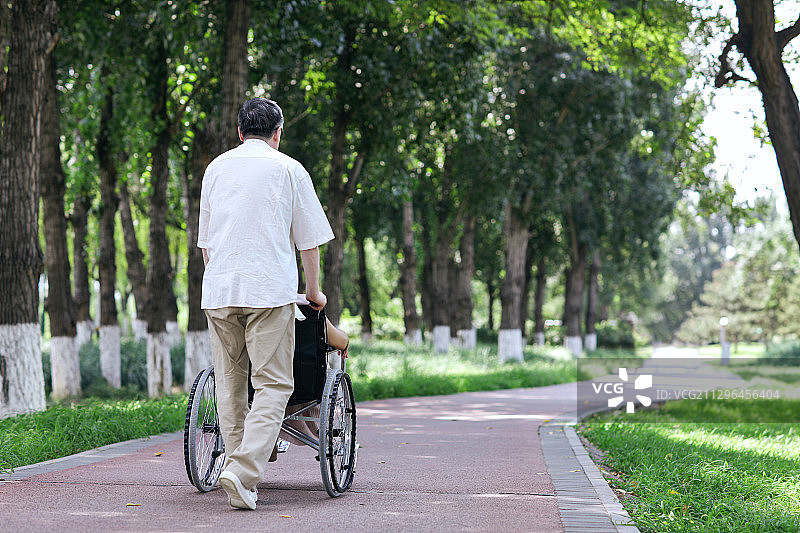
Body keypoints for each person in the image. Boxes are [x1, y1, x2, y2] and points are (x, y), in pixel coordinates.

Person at [197, 98, 333, 510]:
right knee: (274, 384)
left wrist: (221, 278)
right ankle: (241, 472)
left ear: (240, 132)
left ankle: (239, 473)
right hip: (268, 292)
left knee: (231, 381)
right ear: (278, 133)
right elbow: (308, 240)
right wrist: (313, 293)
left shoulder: (216, 169)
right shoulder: (289, 169)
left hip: (219, 291)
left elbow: (207, 243)